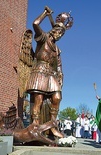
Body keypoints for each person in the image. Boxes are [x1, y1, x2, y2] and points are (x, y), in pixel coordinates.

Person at [25, 6, 73, 137]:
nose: (59, 35)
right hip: (40, 71)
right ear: (53, 31)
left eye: (62, 34)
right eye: (58, 32)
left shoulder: (57, 50)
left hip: (51, 75)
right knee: (38, 99)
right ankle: (35, 125)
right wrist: (45, 14)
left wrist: (61, 76)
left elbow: (58, 66)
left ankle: (52, 125)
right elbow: (35, 24)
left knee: (57, 97)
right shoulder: (43, 38)